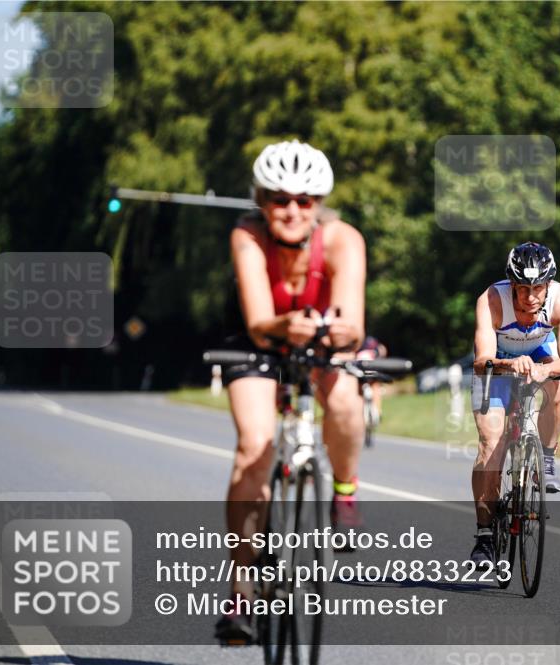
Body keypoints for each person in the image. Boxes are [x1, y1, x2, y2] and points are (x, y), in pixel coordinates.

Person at [216, 139, 366, 643]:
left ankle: (344, 490)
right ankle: (241, 589)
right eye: (279, 198)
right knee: (253, 447)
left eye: (305, 201)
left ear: (319, 205)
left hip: (324, 339)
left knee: (345, 399)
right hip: (264, 342)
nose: (292, 211)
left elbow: (353, 324)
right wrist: (289, 324)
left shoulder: (344, 239)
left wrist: (330, 332)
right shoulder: (247, 235)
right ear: (260, 199)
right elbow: (260, 323)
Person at [469, 242, 560, 565]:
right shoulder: (491, 299)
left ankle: (546, 457)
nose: (530, 297)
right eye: (522, 289)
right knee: (491, 446)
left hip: (540, 356)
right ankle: (485, 535)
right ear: (511, 285)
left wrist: (545, 369)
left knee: (557, 383)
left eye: (538, 288)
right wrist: (509, 363)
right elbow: (481, 360)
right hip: (497, 364)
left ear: (549, 285)